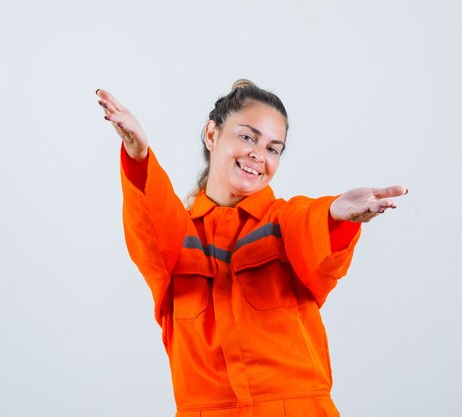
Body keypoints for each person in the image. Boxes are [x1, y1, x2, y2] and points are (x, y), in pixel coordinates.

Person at [96, 80, 407, 417]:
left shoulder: (281, 222)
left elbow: (310, 230)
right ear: (212, 135)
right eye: (247, 137)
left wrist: (334, 215)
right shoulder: (178, 240)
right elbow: (151, 225)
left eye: (274, 148)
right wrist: (138, 156)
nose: (259, 155)